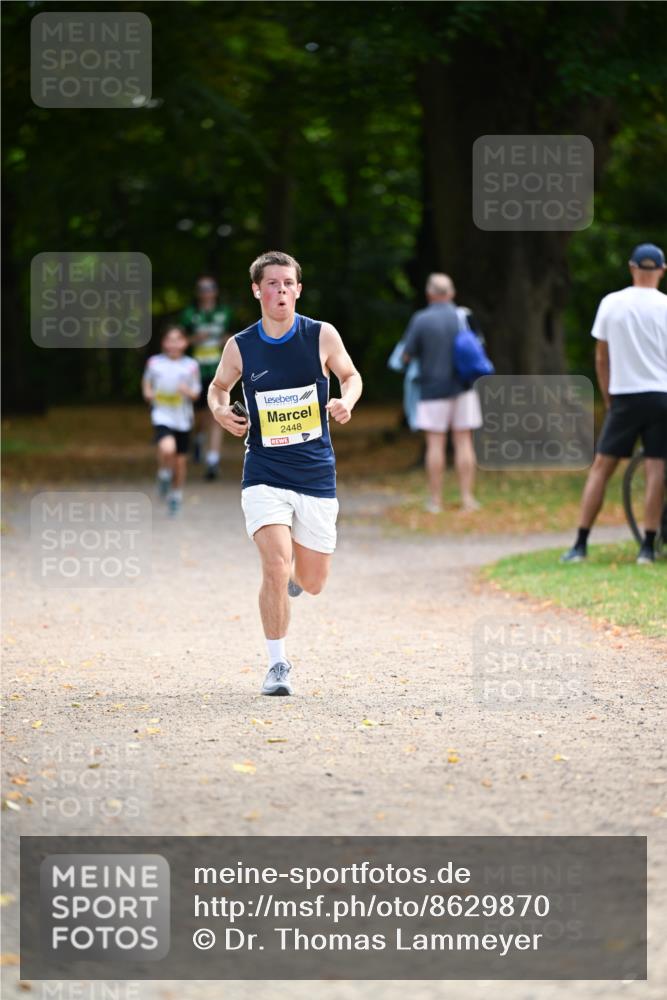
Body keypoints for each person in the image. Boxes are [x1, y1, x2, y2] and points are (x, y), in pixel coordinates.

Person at [208, 250, 362, 696]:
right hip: (264, 471)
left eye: (288, 283)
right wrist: (221, 413)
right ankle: (277, 665)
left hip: (315, 474)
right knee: (274, 565)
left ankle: (298, 579)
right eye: (272, 283)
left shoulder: (320, 335)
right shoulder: (241, 345)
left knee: (311, 582)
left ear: (298, 289)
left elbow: (350, 376)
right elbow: (219, 388)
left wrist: (345, 402)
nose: (281, 290)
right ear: (257, 290)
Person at [561, 243, 667, 566]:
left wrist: (609, 398)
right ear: (662, 271)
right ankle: (648, 547)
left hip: (625, 396)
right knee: (656, 470)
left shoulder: (612, 303)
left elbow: (600, 357)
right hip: (662, 395)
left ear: (631, 267)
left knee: (601, 469)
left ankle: (580, 543)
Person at [402, 273, 484, 514]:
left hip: (432, 389)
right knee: (464, 441)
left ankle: (436, 501)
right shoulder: (464, 316)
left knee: (435, 444)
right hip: (464, 387)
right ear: (451, 293)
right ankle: (467, 499)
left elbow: (406, 355)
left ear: (429, 294)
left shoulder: (421, 320)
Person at [142, 325, 201, 516]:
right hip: (161, 413)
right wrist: (148, 392)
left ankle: (176, 495)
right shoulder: (154, 363)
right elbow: (146, 382)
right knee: (168, 448)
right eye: (170, 339)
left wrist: (187, 392)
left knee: (180, 462)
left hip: (183, 417)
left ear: (185, 343)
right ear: (164, 343)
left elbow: (196, 394)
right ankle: (164, 474)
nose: (174, 344)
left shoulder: (191, 365)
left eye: (178, 339)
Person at [180, 275, 233, 480]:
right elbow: (177, 340)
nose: (206, 292)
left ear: (215, 291)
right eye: (202, 289)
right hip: (195, 371)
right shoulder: (189, 314)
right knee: (200, 415)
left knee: (216, 413)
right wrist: (194, 339)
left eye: (210, 288)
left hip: (219, 370)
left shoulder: (225, 313)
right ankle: (199, 438)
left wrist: (227, 339)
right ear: (198, 292)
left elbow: (235, 335)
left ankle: (212, 461)